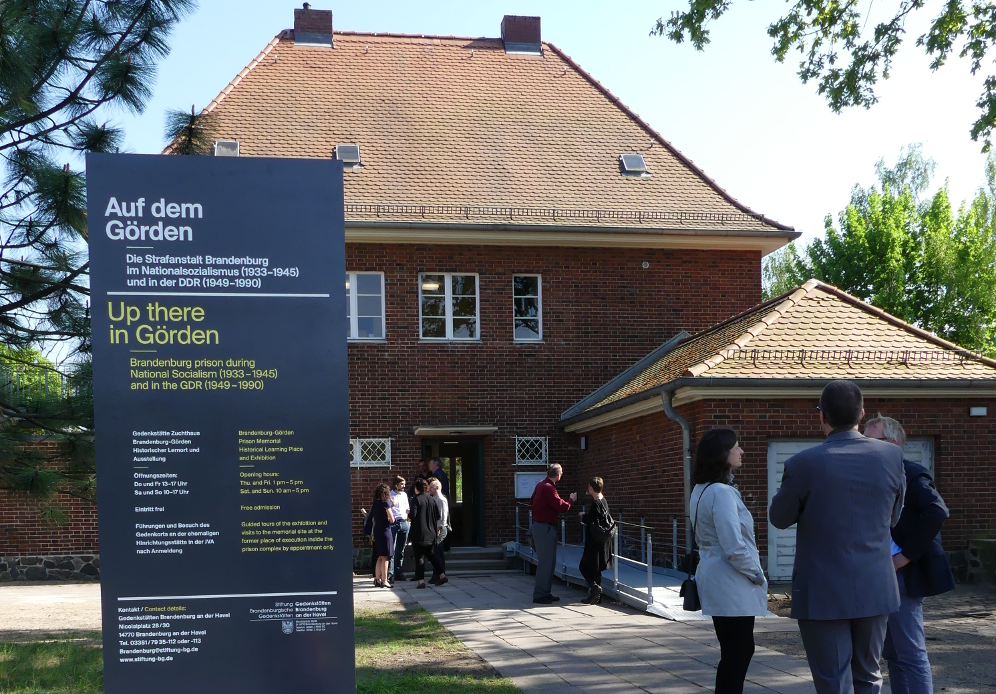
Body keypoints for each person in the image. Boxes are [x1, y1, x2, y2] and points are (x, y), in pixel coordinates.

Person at [770, 380, 905, 694]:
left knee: (833, 680)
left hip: (822, 590)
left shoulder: (802, 463)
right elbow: (894, 517)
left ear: (822, 417)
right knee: (870, 675)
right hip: (875, 584)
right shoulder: (892, 458)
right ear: (862, 413)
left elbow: (779, 518)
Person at [864, 415, 955, 694]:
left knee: (910, 652)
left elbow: (937, 511)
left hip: (902, 574)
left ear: (892, 444)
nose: (863, 447)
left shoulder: (912, 473)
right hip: (879, 573)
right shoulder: (871, 476)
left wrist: (906, 556)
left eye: (870, 441)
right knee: (892, 652)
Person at [690, 429, 768, 694]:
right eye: (736, 446)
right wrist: (757, 574)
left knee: (734, 652)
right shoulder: (721, 492)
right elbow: (734, 546)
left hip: (716, 577)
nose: (742, 451)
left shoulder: (701, 489)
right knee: (739, 653)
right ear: (723, 454)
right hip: (731, 581)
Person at [530, 463, 576, 604]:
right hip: (545, 528)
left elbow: (532, 501)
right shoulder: (549, 488)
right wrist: (571, 500)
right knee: (546, 563)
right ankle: (539, 595)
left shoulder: (540, 485)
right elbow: (561, 506)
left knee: (549, 563)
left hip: (540, 527)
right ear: (558, 475)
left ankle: (545, 592)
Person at [578, 476, 613, 605]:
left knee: (583, 567)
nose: (588, 488)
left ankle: (594, 587)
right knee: (596, 569)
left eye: (589, 486)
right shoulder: (604, 501)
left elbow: (590, 519)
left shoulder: (595, 504)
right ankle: (597, 597)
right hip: (602, 541)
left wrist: (582, 515)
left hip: (593, 541)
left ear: (592, 488)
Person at [408, 477, 443, 589]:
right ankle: (442, 575)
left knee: (419, 557)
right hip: (431, 532)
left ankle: (421, 581)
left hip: (419, 533)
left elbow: (412, 515)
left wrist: (408, 513)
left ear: (416, 488)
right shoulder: (432, 499)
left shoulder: (416, 499)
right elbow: (438, 516)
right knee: (432, 555)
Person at [369, 483, 395, 588]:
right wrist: (391, 506)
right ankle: (385, 580)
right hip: (385, 530)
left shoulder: (375, 503)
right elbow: (392, 519)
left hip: (377, 530)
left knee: (379, 556)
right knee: (385, 557)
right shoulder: (385, 503)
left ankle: (377, 579)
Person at [388, 476, 411, 582]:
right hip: (393, 523)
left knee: (401, 550)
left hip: (404, 522)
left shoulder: (404, 495)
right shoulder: (389, 494)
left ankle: (398, 572)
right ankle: (390, 573)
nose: (404, 486)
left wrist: (408, 521)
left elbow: (407, 509)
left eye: (404, 484)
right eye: (402, 484)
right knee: (391, 549)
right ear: (396, 484)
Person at [428, 478, 450, 586]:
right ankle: (438, 574)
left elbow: (442, 516)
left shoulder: (441, 499)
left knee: (437, 552)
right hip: (436, 528)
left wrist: (438, 528)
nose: (429, 489)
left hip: (440, 528)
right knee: (438, 552)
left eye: (431, 487)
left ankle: (439, 575)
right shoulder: (434, 498)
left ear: (437, 488)